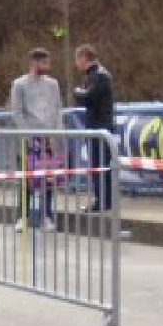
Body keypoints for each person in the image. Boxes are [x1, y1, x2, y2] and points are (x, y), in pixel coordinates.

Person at [7, 48, 62, 231]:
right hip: (28, 138)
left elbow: (57, 109)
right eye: (44, 63)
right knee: (26, 179)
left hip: (48, 138)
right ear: (34, 63)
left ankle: (46, 215)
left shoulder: (53, 84)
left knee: (48, 178)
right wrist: (28, 135)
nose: (47, 67)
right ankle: (23, 216)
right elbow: (17, 112)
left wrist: (56, 134)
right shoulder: (19, 84)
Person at [73, 44, 116, 212]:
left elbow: (88, 97)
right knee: (98, 164)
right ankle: (103, 199)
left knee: (101, 164)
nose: (77, 63)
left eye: (78, 59)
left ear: (84, 58)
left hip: (100, 127)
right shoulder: (95, 75)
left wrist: (77, 92)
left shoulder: (100, 75)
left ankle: (104, 201)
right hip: (97, 126)